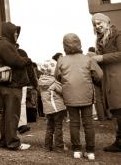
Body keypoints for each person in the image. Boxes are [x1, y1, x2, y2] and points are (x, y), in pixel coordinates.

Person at [55, 33, 103, 161]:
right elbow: (99, 75)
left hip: (70, 96)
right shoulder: (88, 59)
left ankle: (76, 150)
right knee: (88, 123)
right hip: (86, 95)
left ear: (64, 45)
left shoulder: (61, 60)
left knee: (74, 123)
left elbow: (57, 77)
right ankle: (91, 151)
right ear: (79, 43)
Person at [0, 21, 32, 150]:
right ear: (9, 32)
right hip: (11, 85)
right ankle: (13, 143)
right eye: (15, 32)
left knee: (7, 114)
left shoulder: (3, 44)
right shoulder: (5, 44)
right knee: (12, 114)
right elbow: (16, 61)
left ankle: (5, 141)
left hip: (7, 85)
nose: (16, 34)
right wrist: (27, 60)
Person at [90, 13, 121, 152]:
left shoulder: (118, 35)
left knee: (119, 110)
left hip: (118, 77)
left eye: (99, 23)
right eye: (95, 24)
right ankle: (119, 140)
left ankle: (120, 142)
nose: (97, 26)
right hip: (109, 79)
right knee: (116, 111)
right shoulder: (100, 39)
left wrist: (101, 57)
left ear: (106, 22)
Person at [38, 59, 66, 152]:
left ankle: (47, 146)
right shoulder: (54, 81)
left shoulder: (41, 82)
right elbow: (63, 91)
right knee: (58, 127)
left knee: (49, 127)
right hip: (58, 108)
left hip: (47, 109)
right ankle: (59, 147)